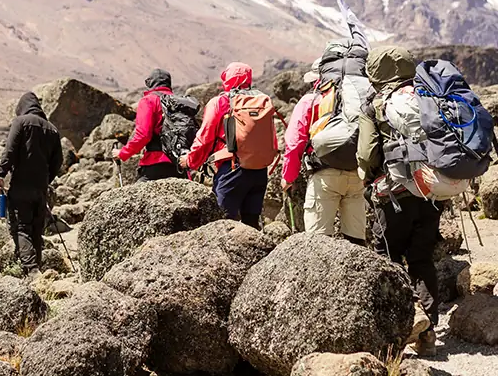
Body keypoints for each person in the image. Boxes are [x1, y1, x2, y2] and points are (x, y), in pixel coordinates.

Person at [357, 46, 441, 357]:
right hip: (431, 189)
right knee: (421, 258)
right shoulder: (429, 96)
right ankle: (428, 330)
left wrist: (366, 178)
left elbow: (367, 153)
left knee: (387, 259)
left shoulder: (376, 104)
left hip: (393, 193)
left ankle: (397, 330)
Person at [281, 57, 367, 245]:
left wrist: (288, 177)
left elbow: (295, 142)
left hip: (324, 175)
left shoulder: (311, 100)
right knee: (356, 241)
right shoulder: (356, 99)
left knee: (317, 242)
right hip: (357, 174)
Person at [181, 63, 274, 229]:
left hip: (231, 169)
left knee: (222, 226)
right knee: (251, 226)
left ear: (227, 79)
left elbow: (205, 137)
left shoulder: (220, 102)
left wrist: (190, 161)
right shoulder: (262, 102)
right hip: (260, 170)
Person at [0, 92, 63, 277]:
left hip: (21, 185)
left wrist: (0, 174)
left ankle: (33, 271)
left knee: (22, 228)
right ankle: (37, 273)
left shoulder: (21, 122)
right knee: (36, 229)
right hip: (41, 188)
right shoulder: (52, 129)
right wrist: (46, 180)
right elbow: (58, 162)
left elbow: (10, 151)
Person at [111, 68, 181, 181]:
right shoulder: (179, 102)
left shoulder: (149, 100)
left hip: (156, 162)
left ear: (150, 83)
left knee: (136, 197)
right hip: (180, 163)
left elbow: (143, 135)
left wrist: (123, 153)